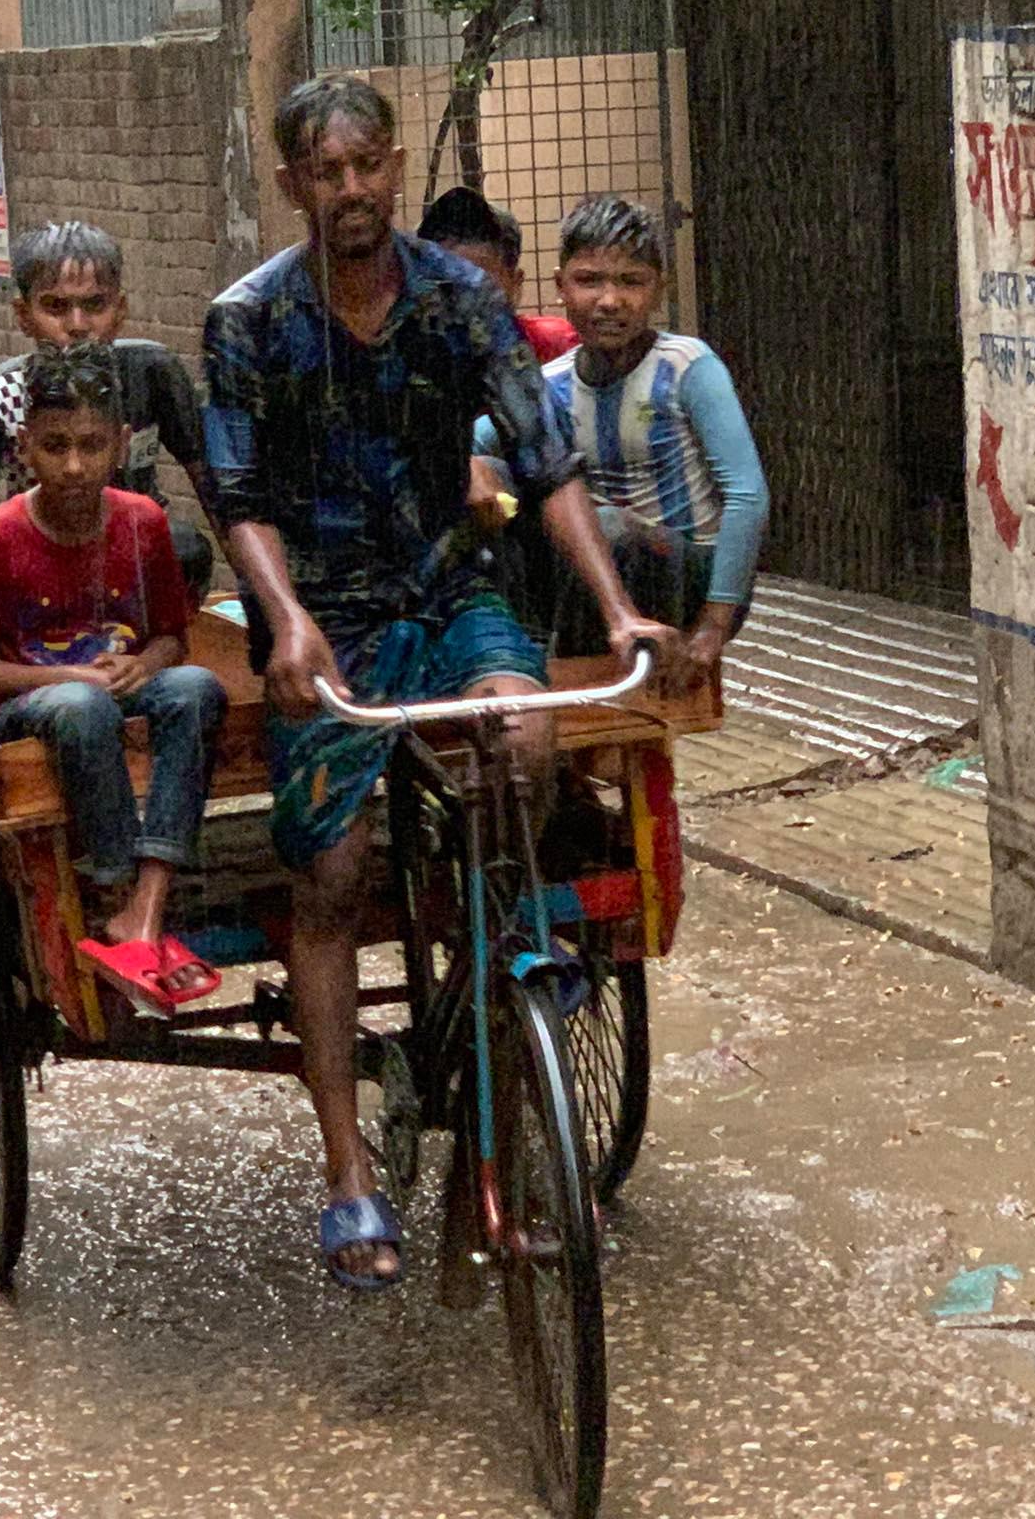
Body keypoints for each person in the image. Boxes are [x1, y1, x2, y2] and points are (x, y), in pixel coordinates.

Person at [203, 76, 674, 1292]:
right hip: (328, 614)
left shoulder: (464, 301)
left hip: (448, 582)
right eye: (326, 171)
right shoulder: (249, 319)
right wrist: (289, 624)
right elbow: (238, 498)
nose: (351, 190)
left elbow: (546, 460)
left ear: (396, 166)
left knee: (524, 744)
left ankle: (502, 984)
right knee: (335, 872)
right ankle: (348, 1171)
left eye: (368, 166)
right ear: (292, 181)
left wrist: (616, 604)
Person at [0, 341, 227, 1013]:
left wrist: (142, 665)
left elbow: (171, 639)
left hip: (121, 689)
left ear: (121, 444)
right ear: (24, 447)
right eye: (55, 446)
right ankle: (109, 889)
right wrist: (75, 675)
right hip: (35, 710)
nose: (74, 466)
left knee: (196, 689)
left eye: (92, 445)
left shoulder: (144, 523)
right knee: (79, 705)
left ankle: (146, 904)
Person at [0, 221, 217, 717]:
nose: (77, 325)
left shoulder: (152, 373)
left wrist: (272, 619)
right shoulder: (0, 396)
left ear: (120, 309)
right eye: (55, 307)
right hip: (38, 588)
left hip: (130, 574)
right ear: (24, 315)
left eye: (94, 305)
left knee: (185, 546)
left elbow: (218, 495)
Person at [477, 193, 769, 683]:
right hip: (600, 585)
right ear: (560, 288)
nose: (609, 301)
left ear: (658, 291)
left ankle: (573, 674)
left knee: (614, 528)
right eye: (589, 281)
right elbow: (475, 445)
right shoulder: (551, 385)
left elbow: (747, 495)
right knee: (497, 479)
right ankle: (527, 659)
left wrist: (713, 627)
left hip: (690, 580)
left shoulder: (688, 367)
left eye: (631, 282)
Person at [416, 185, 578, 363]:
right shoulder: (404, 359)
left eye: (479, 289)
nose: (463, 303)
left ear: (515, 284)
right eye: (448, 287)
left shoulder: (556, 346)